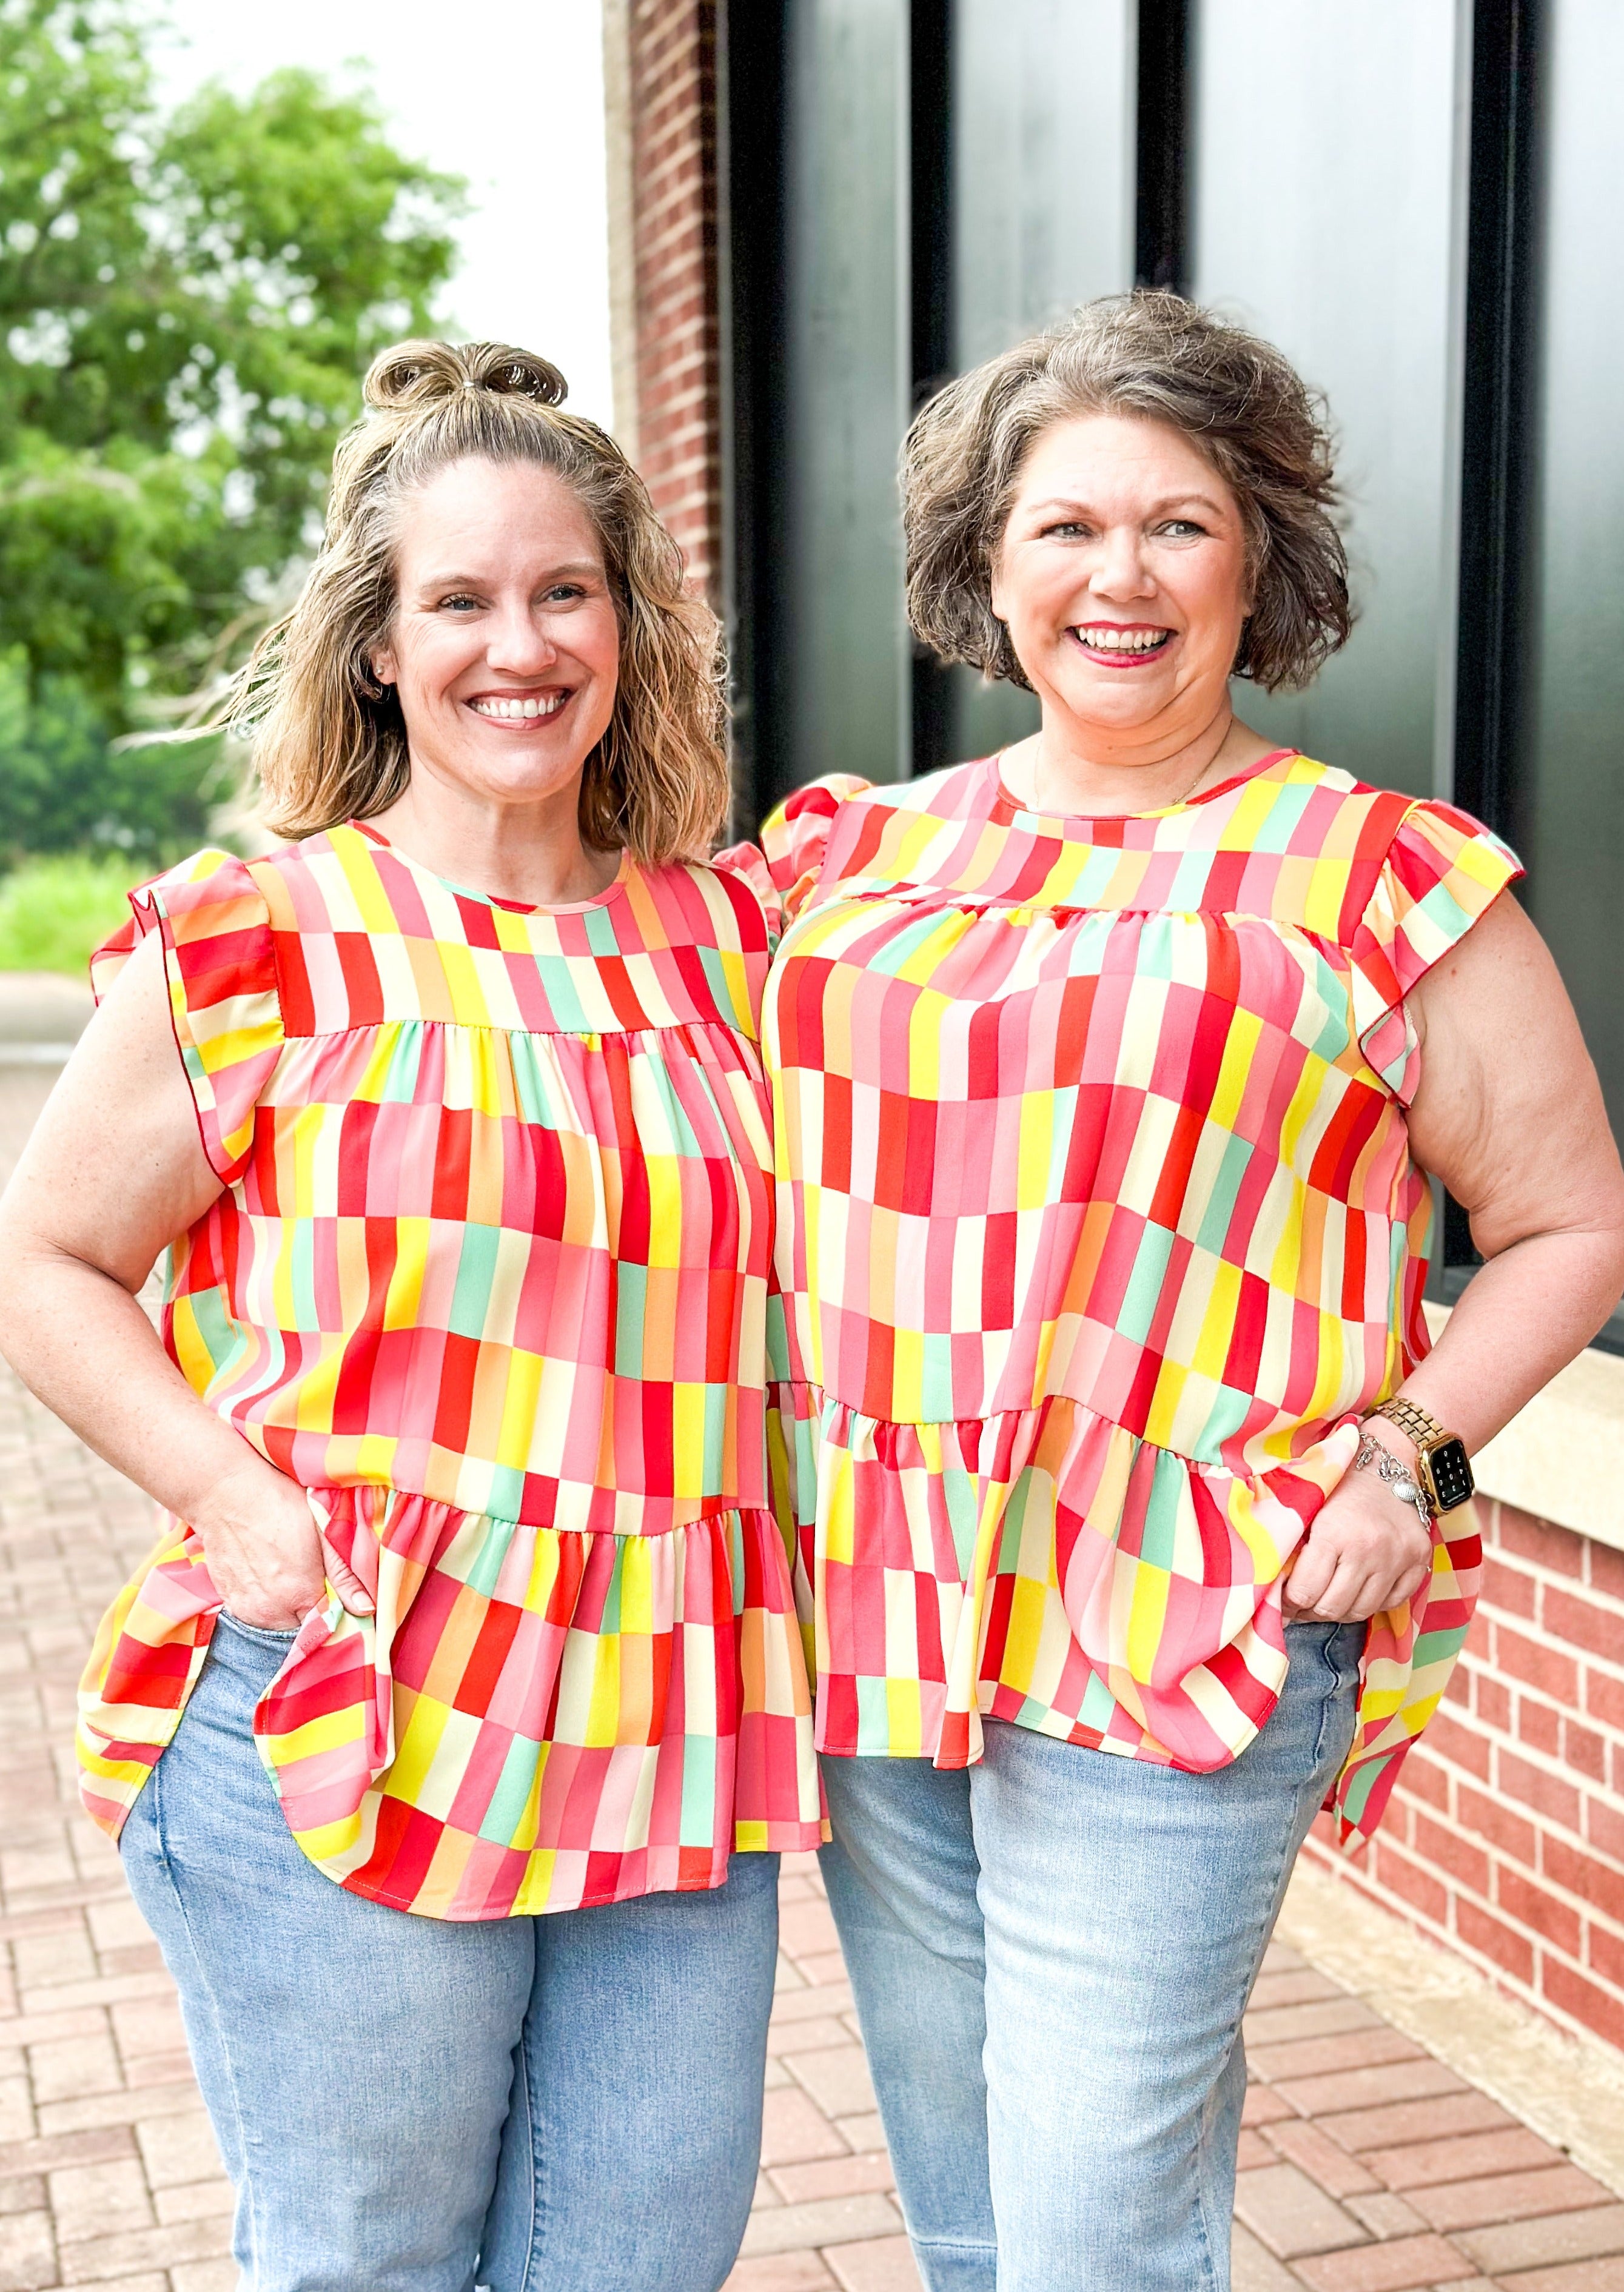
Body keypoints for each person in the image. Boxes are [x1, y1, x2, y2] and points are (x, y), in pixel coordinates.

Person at [736, 293, 1624, 2291]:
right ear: (986, 562)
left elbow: (1572, 1220)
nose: (1116, 577)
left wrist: (1409, 1452)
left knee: (1089, 2231)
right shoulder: (846, 860)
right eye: (1062, 527)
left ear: (1263, 562)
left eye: (1177, 525)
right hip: (884, 1601)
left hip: (1191, 1609)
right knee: (977, 2207)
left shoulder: (1378, 877)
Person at [0, 339, 819, 2292]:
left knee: (636, 2262)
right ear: (378, 641)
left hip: (672, 1724)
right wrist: (240, 1507)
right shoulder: (265, 937)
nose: (513, 645)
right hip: (357, 1702)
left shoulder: (736, 940)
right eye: (457, 599)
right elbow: (45, 1261)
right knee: (369, 2263)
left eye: (562, 591)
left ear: (629, 625)